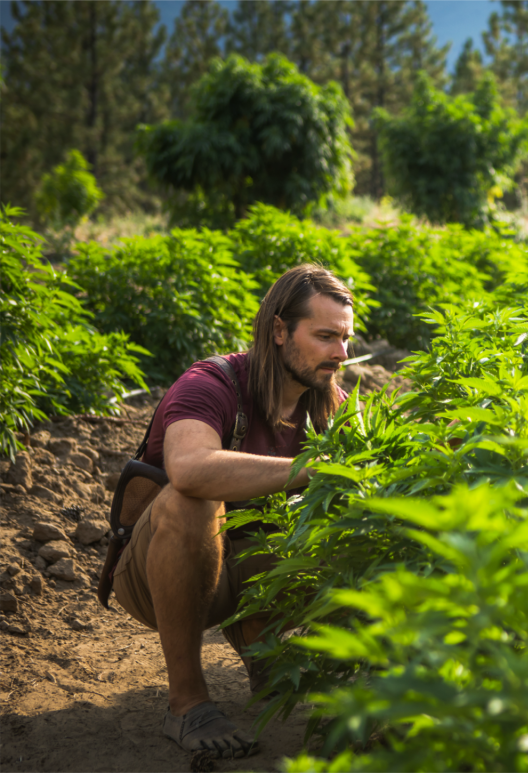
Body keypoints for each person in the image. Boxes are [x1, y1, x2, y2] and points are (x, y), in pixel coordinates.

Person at [109, 264, 354, 759]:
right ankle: (187, 703)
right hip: (155, 574)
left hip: (244, 570)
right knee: (190, 501)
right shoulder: (212, 384)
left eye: (346, 338)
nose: (341, 353)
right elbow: (189, 469)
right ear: (280, 331)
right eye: (326, 336)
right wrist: (312, 468)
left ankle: (267, 650)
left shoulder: (330, 408)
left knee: (356, 522)